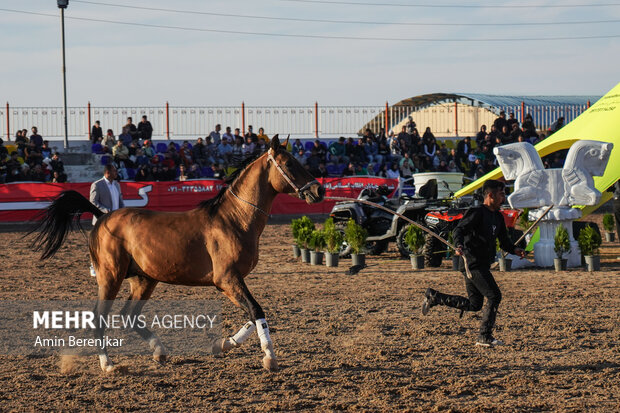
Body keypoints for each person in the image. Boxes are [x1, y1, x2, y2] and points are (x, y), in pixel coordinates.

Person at [421, 180, 525, 347]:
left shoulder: (498, 217)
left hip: (482, 264)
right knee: (494, 296)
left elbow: (504, 242)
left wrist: (515, 250)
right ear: (490, 195)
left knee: (475, 304)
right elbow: (459, 229)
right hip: (472, 263)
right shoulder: (477, 212)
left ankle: (435, 297)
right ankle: (484, 336)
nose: (503, 197)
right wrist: (459, 245)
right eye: (501, 194)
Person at [89, 164, 125, 276]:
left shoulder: (116, 185)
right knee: (98, 243)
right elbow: (93, 202)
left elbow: (120, 201)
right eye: (114, 171)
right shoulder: (97, 184)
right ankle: (93, 265)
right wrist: (105, 210)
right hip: (102, 219)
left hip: (116, 220)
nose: (116, 173)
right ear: (108, 172)